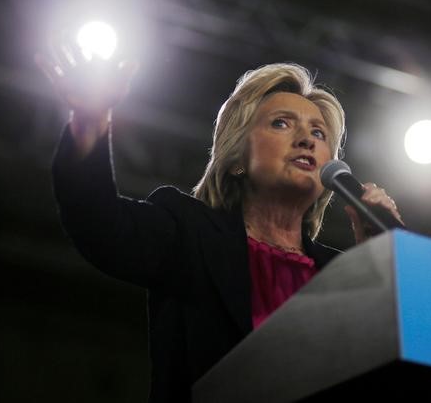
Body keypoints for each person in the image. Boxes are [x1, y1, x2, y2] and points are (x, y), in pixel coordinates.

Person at [35, 40, 403, 403]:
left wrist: (383, 261)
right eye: (281, 124)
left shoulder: (339, 276)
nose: (306, 138)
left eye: (318, 133)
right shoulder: (189, 232)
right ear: (238, 158)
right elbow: (100, 226)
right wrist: (90, 123)